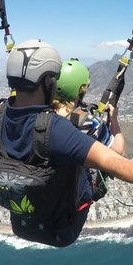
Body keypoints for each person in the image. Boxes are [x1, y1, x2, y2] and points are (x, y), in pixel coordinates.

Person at [0, 39, 133, 247]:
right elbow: (114, 160)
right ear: (49, 81)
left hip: (22, 220)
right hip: (61, 228)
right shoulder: (55, 129)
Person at [52, 57, 124, 206]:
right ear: (80, 90)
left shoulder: (40, 115)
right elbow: (119, 151)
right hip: (71, 198)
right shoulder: (87, 123)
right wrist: (114, 120)